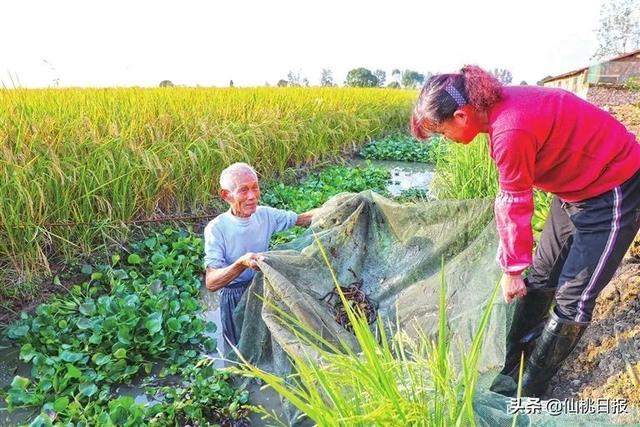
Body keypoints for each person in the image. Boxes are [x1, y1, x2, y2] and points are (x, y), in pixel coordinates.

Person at [410, 65, 640, 397]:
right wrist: (520, 272)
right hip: (572, 190)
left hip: (613, 187)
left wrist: (511, 269)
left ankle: (529, 390)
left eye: (443, 133)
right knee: (543, 277)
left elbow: (514, 202)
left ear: (461, 116)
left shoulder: (509, 128)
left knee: (574, 299)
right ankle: (512, 366)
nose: (447, 141)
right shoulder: (492, 112)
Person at [203, 162, 319, 347]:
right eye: (243, 190)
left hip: (261, 288)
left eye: (255, 188)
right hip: (235, 295)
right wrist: (241, 263)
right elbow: (211, 282)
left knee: (265, 343)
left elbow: (304, 219)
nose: (252, 196)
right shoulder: (217, 229)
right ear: (226, 195)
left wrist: (340, 205)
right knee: (240, 349)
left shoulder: (265, 215)